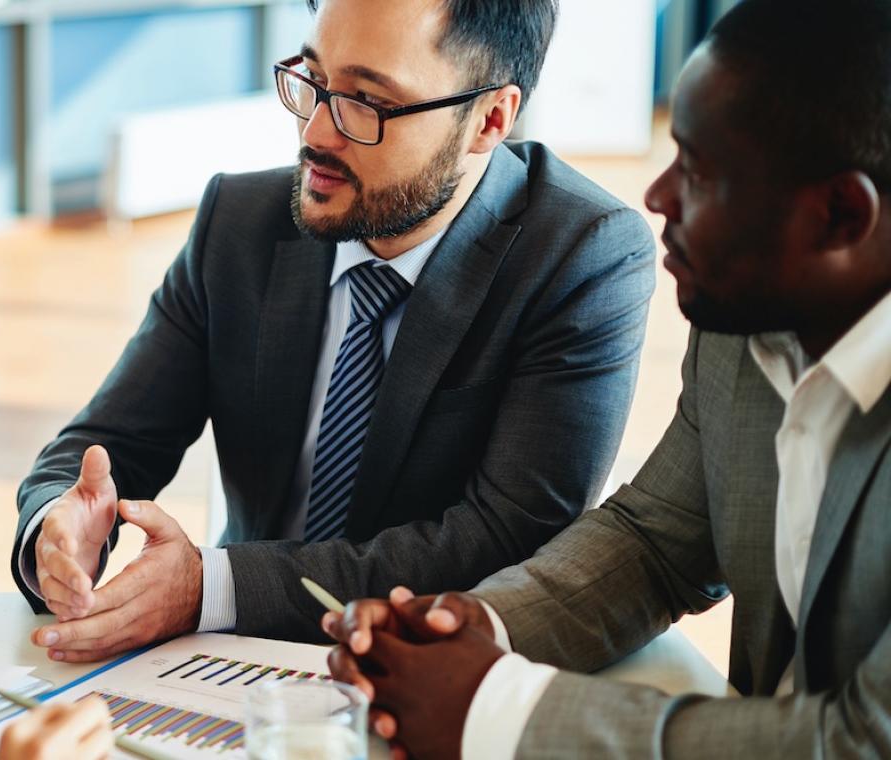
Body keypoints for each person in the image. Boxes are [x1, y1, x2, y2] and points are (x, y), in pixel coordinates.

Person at [323, 1, 891, 757]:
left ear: (841, 216)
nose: (658, 197)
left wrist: (500, 707)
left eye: (699, 170)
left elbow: (862, 739)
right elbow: (655, 543)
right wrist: (468, 630)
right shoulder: (747, 326)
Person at [14, 0, 657, 661]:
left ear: (488, 120)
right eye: (314, 81)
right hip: (231, 671)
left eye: (366, 102)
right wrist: (59, 523)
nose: (316, 132)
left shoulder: (580, 254)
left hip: (434, 674)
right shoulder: (238, 221)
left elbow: (511, 538)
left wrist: (215, 587)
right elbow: (109, 443)